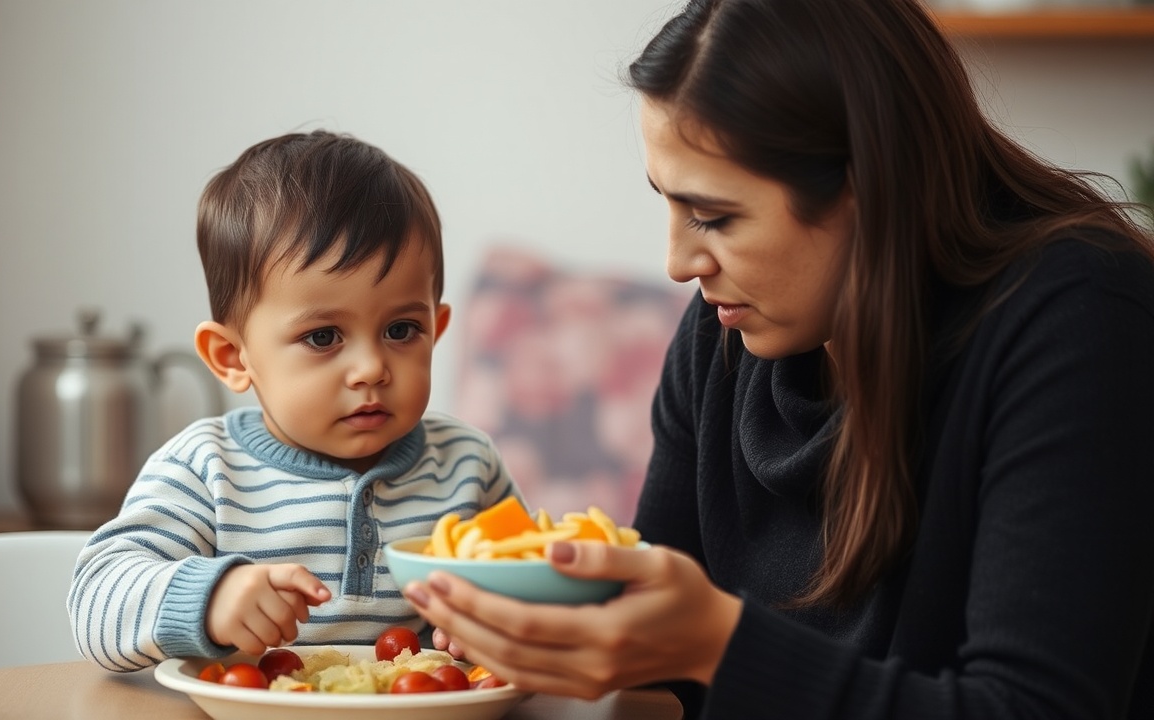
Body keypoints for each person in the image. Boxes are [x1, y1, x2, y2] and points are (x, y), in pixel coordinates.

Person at [403, 0, 1154, 717]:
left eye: (714, 216)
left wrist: (718, 646)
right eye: (667, 202)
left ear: (867, 188)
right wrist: (551, 631)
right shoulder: (720, 339)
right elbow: (662, 665)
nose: (677, 262)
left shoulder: (1082, 318)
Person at [68, 130, 523, 672]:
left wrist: (498, 624)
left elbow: (527, 582)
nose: (372, 368)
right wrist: (210, 599)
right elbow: (94, 605)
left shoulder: (468, 465)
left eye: (402, 329)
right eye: (324, 337)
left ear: (437, 327)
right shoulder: (205, 469)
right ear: (233, 356)